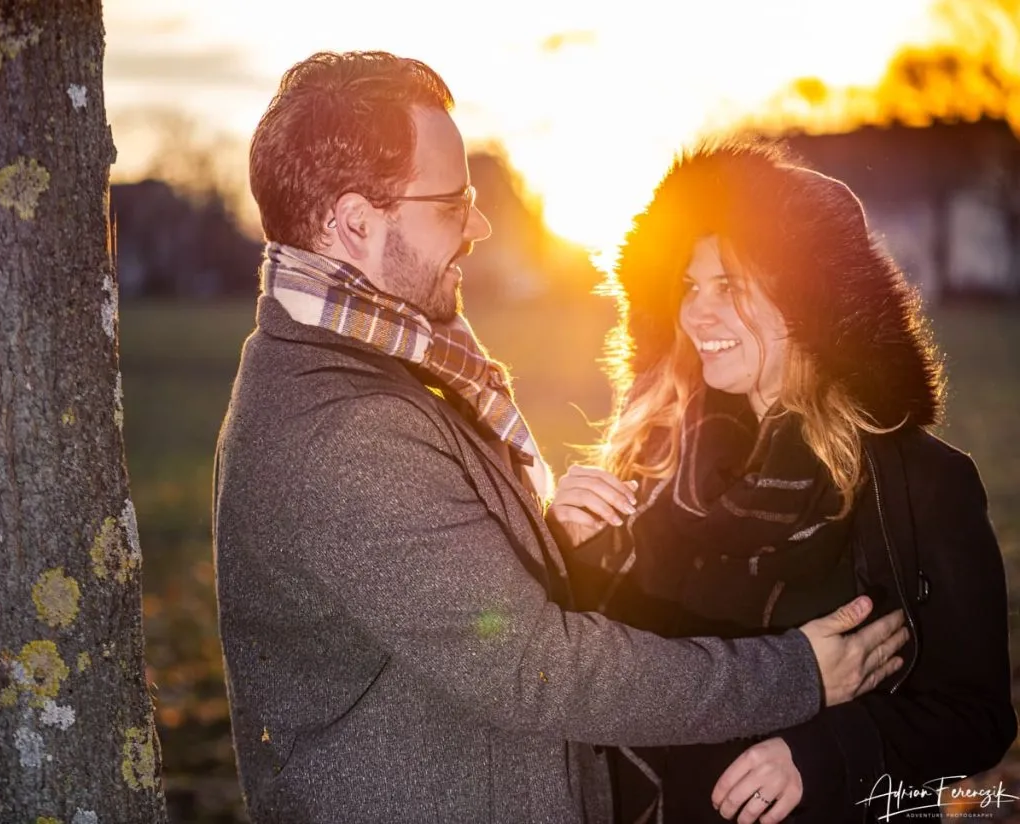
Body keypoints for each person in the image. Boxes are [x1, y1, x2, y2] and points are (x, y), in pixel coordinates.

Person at [212, 53, 909, 824]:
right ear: (354, 223)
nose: (478, 226)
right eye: (452, 203)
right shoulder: (350, 428)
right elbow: (536, 669)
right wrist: (798, 675)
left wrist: (541, 544)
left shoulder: (359, 367)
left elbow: (436, 604)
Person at [549, 138, 1016, 824]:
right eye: (689, 286)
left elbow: (976, 716)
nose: (696, 313)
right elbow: (593, 664)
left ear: (807, 301)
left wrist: (824, 754)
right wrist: (563, 551)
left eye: (730, 287)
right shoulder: (655, 462)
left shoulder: (919, 485)